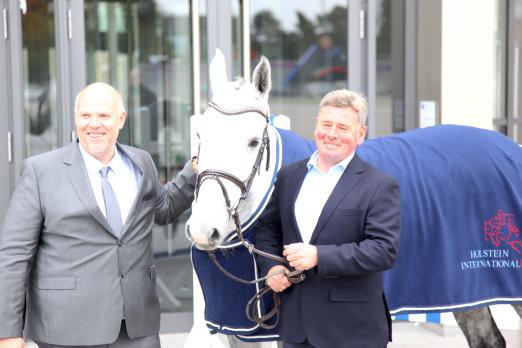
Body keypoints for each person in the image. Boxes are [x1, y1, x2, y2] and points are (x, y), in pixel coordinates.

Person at [0, 82, 196, 348]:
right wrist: (8, 332)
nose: (94, 124)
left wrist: (195, 169)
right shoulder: (40, 172)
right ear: (75, 118)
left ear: (121, 119)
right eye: (85, 116)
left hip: (138, 330)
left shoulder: (141, 163)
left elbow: (164, 208)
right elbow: (14, 255)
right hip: (67, 330)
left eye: (103, 116)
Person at [255, 89, 400, 348]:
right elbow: (268, 229)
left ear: (361, 134)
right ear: (316, 127)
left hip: (353, 332)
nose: (332, 134)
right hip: (296, 329)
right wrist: (273, 268)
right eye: (326, 124)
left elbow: (383, 250)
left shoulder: (379, 185)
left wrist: (319, 256)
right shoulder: (289, 176)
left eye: (343, 127)